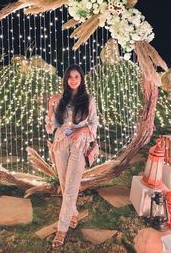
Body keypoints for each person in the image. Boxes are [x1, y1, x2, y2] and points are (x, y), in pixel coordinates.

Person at [45, 64, 99, 248]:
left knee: (71, 187)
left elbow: (94, 124)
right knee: (64, 183)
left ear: (81, 79)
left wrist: (83, 129)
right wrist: (50, 106)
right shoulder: (61, 99)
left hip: (78, 146)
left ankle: (62, 229)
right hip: (60, 144)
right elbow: (51, 127)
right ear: (66, 80)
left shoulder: (88, 100)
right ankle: (73, 212)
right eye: (70, 77)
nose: (73, 79)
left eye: (76, 76)